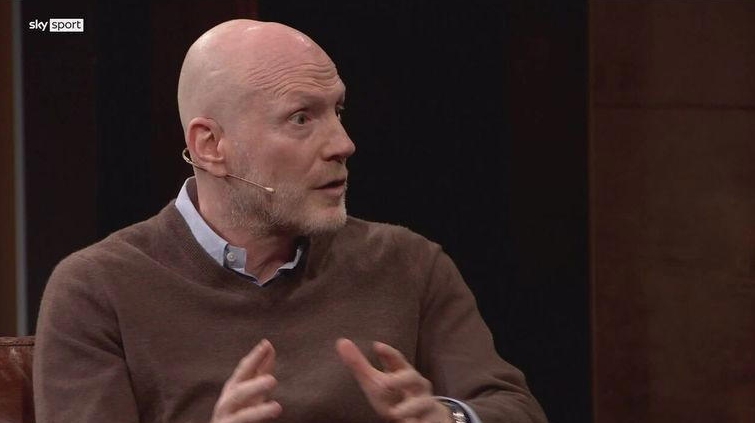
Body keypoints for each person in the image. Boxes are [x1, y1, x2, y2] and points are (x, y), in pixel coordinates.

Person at [33, 19, 547, 423]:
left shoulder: (408, 263)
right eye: (301, 118)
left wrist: (448, 418)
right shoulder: (98, 289)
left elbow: (514, 408)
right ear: (210, 146)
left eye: (337, 111)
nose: (343, 144)